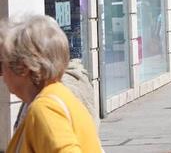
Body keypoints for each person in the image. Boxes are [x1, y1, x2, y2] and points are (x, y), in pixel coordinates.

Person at [1, 15, 102, 152]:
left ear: (23, 67)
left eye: (2, 64)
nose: (2, 75)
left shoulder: (45, 109)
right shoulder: (59, 96)